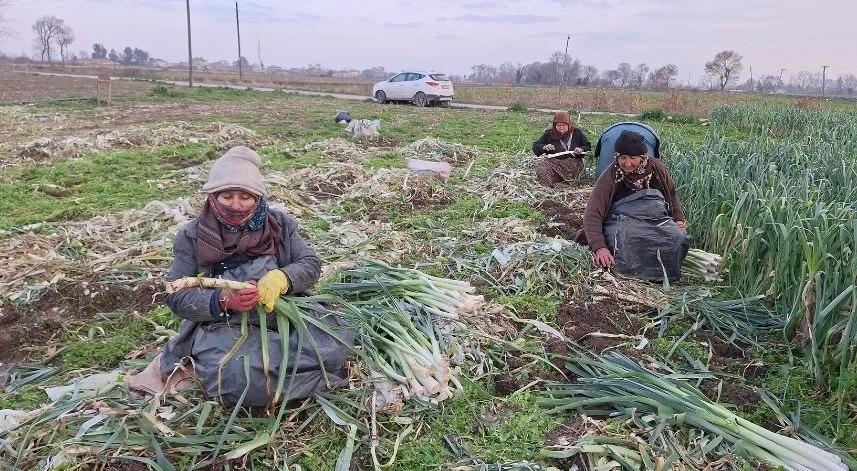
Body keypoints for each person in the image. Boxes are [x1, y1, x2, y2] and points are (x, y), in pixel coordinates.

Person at [158, 146, 352, 407]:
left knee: (334, 346)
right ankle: (302, 382)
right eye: (227, 196)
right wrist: (223, 300)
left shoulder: (280, 225)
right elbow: (177, 297)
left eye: (245, 197)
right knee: (241, 378)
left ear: (258, 198)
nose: (236, 205)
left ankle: (304, 377)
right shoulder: (191, 236)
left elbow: (310, 264)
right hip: (224, 325)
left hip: (283, 311)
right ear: (212, 196)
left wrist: (282, 279)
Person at [574, 130, 691, 281]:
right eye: (622, 157)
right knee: (625, 238)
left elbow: (672, 195)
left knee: (676, 237)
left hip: (656, 219)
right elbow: (592, 214)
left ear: (643, 157)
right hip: (621, 221)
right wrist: (600, 247)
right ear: (617, 156)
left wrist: (678, 220)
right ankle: (631, 274)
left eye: (633, 158)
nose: (627, 163)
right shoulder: (610, 176)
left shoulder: (657, 169)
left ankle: (665, 274)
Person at [532, 111, 592, 187]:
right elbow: (535, 146)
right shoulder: (549, 134)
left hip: (573, 163)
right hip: (554, 163)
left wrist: (581, 149)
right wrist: (544, 147)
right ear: (554, 125)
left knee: (578, 178)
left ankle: (570, 184)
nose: (561, 128)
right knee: (542, 169)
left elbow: (587, 146)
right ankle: (551, 187)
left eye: (564, 125)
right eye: (559, 125)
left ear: (569, 125)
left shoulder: (577, 133)